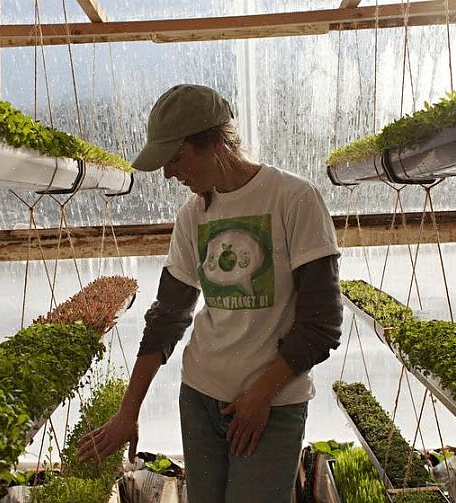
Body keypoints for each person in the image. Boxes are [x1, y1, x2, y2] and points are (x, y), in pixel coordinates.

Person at [78, 84, 342, 503]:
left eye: (176, 158)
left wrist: (260, 396)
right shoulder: (192, 216)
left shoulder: (294, 199)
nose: (168, 173)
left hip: (272, 405)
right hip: (200, 398)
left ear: (216, 144)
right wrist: (128, 412)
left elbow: (322, 323)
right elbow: (168, 316)